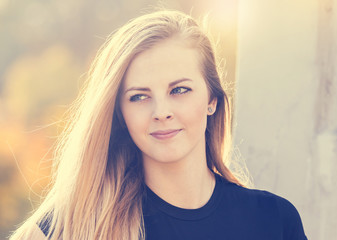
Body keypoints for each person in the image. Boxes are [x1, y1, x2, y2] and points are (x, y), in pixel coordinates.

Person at [10, 10, 307, 240]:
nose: (161, 112)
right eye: (139, 96)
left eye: (179, 90)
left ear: (212, 100)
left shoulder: (273, 220)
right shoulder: (78, 223)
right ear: (119, 114)